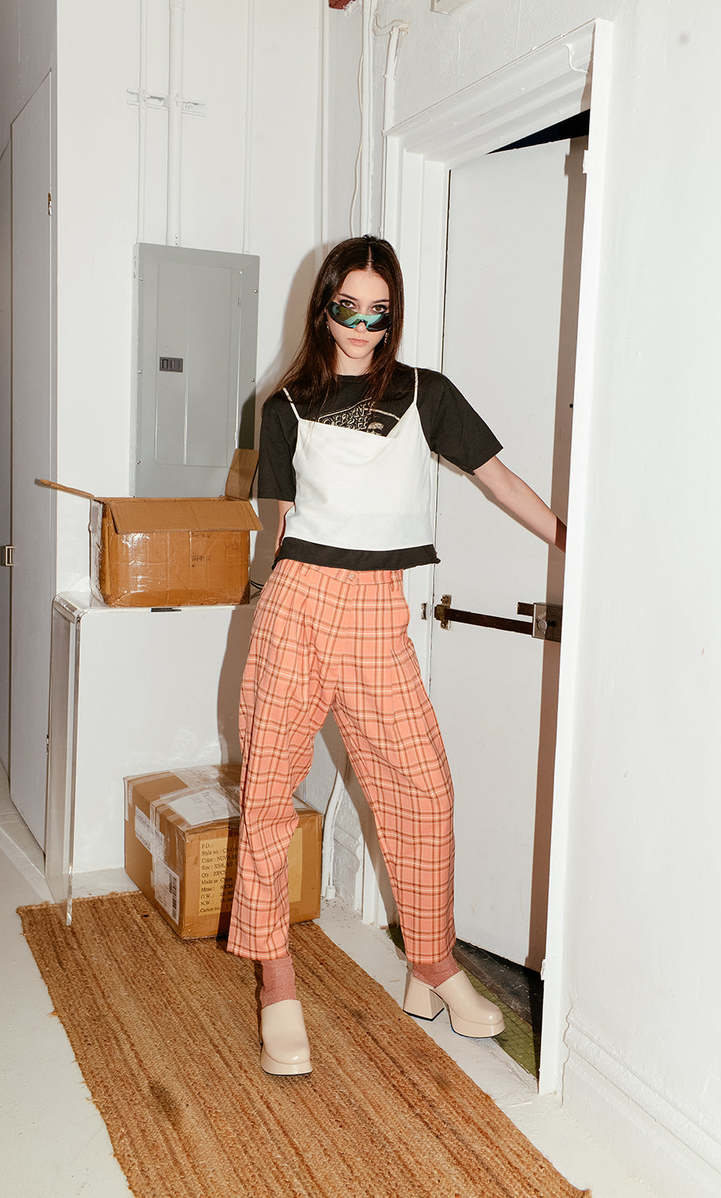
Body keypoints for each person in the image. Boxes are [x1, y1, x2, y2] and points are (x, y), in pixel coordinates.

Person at [226, 235, 567, 1076]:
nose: (362, 327)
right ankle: (277, 980)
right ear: (324, 308)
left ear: (393, 316)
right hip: (299, 604)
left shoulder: (426, 394)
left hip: (378, 611)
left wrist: (575, 543)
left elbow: (498, 479)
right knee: (268, 794)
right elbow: (277, 528)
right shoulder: (283, 405)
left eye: (379, 313)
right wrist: (265, 602)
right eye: (348, 308)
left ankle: (432, 963)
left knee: (423, 790)